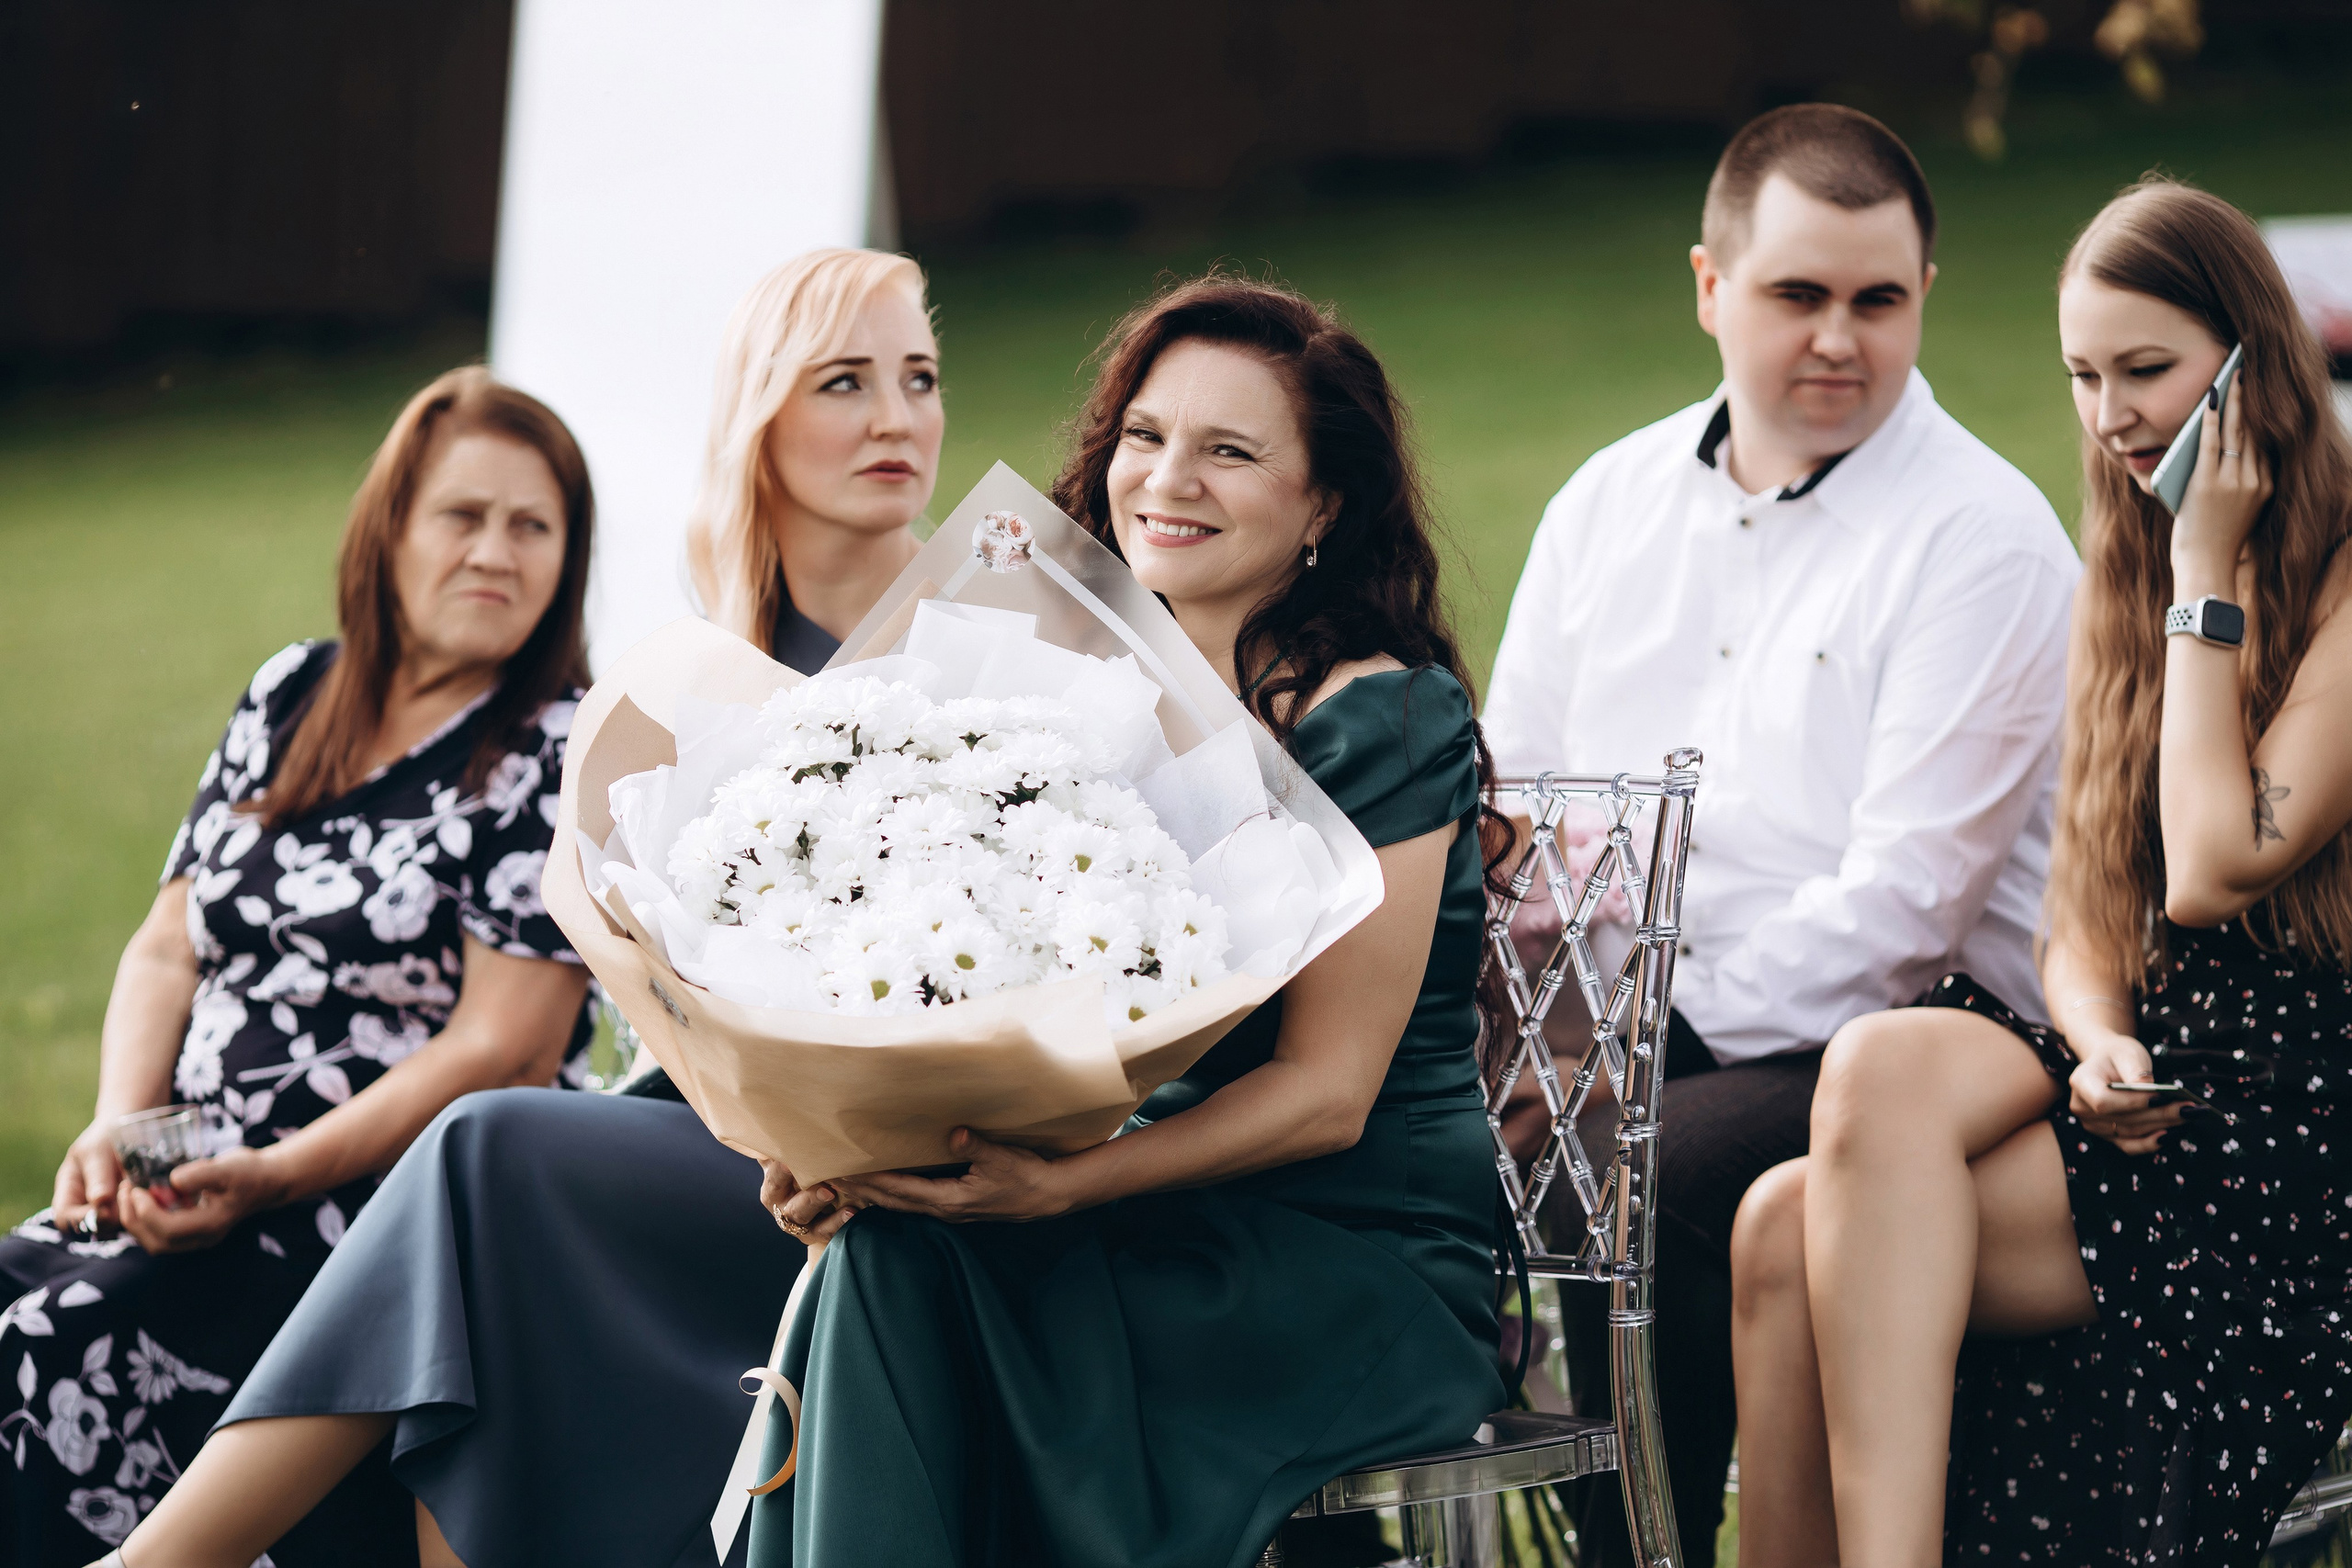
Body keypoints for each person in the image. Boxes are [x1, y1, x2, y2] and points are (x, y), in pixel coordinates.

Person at [99, 246, 943, 1568]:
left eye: (920, 379)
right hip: (726, 1132)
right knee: (502, 1228)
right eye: (848, 381)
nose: (899, 418)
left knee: (490, 1154)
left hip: (890, 1165)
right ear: (760, 421)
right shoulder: (695, 677)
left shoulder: (985, 640)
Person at [739, 274, 1509, 1568]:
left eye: (1230, 451)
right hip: (1134, 1209)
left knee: (911, 1277)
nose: (1171, 479)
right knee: (885, 1247)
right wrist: (843, 1144)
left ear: (1324, 504)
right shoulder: (1052, 703)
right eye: (1146, 438)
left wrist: (1058, 1192)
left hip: (1343, 1254)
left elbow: (1330, 1094)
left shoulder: (1381, 719)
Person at [1477, 103, 2080, 1562]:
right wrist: (1527, 1020)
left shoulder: (1980, 543)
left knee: (1657, 1171)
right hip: (1631, 1029)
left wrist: (1621, 1054)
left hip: (1926, 1039)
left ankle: (1653, 1550)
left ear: (1925, 297)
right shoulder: (1606, 505)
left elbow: (1907, 908)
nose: (1839, 339)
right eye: (1797, 295)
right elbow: (1526, 811)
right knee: (1397, 1147)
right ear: (1710, 286)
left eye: (1879, 301)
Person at [1729, 178, 2352, 1567]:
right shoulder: (2118, 577)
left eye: (2148, 371)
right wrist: (2094, 1035)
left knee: (1788, 1228)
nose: (2110, 413)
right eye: (2082, 374)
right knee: (1859, 1096)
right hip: (2154, 1065)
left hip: (2296, 1125)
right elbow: (2086, 913)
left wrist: (2206, 567)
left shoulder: (2331, 587)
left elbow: (2209, 867)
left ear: (2254, 371)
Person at [0, 367, 599, 1567]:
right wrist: (126, 1124)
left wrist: (269, 1176)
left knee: (45, 1339)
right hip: (196, 1175)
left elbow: (504, 1046)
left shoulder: (552, 748)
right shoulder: (290, 692)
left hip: (384, 1228)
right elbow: (170, 940)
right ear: (389, 536)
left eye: (533, 526)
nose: (496, 551)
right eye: (463, 517)